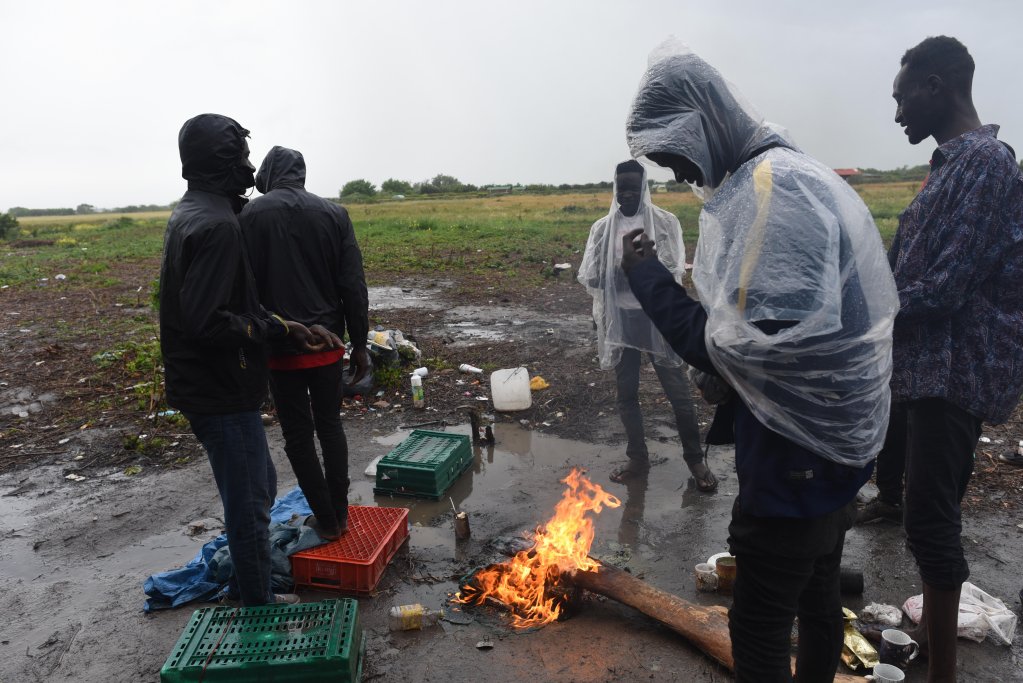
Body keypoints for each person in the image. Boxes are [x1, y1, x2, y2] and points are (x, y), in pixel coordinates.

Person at [620, 42, 898, 682]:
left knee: (761, 622)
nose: (678, 173)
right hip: (833, 448)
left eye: (674, 156)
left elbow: (749, 346)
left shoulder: (775, 193)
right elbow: (772, 336)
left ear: (702, 123)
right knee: (819, 599)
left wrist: (648, 277)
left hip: (798, 458)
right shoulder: (782, 177)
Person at [159, 114, 340, 607]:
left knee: (259, 487)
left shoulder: (197, 212)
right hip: (218, 390)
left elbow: (230, 304)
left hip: (211, 385)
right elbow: (210, 322)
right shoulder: (217, 227)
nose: (249, 167)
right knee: (248, 505)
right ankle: (257, 603)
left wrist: (286, 327)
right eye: (240, 156)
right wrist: (274, 330)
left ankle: (247, 581)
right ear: (222, 163)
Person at [888, 36, 1023, 682]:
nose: (896, 114)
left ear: (936, 86)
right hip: (925, 369)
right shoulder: (950, 166)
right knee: (921, 514)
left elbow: (944, 286)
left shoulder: (985, 163)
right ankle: (931, 653)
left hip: (953, 373)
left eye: (901, 97)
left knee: (929, 521)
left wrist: (870, 307)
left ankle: (941, 673)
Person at [241, 146, 370, 541]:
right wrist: (360, 343)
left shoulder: (250, 216)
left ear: (268, 173)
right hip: (328, 343)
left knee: (297, 435)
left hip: (280, 345)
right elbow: (353, 285)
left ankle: (326, 519)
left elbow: (244, 289)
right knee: (330, 425)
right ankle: (341, 513)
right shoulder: (334, 214)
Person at [578, 159, 716, 491]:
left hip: (659, 320)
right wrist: (623, 269)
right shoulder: (602, 229)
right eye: (620, 187)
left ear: (644, 188)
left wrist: (641, 268)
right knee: (626, 394)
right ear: (614, 188)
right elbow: (591, 275)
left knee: (679, 394)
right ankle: (637, 459)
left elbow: (673, 270)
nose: (626, 193)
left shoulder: (664, 223)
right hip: (622, 322)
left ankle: (696, 461)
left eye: (632, 187)